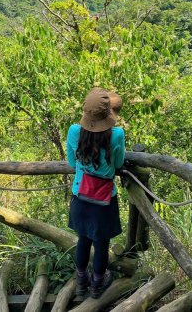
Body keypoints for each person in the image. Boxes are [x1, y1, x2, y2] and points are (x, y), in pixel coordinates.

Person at [67, 88, 125, 299]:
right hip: (104, 199)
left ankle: (82, 282)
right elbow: (118, 163)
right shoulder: (117, 134)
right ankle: (97, 286)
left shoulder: (74, 131)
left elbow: (72, 163)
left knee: (83, 239)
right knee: (101, 243)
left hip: (80, 194)